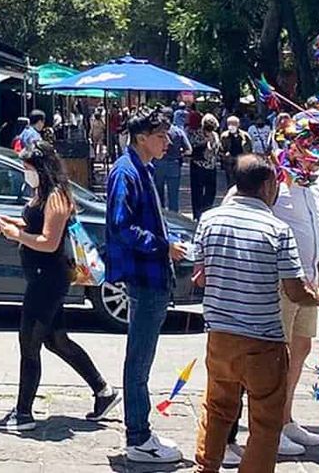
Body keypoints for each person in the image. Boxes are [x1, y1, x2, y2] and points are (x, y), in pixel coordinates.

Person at [194, 155, 319, 473]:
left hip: (219, 337)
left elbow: (200, 276)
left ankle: (205, 468)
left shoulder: (209, 220)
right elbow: (296, 291)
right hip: (263, 341)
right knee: (265, 423)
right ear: (269, 185)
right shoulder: (277, 229)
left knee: (216, 410)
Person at [0, 142, 119, 432]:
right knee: (56, 339)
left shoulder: (57, 197)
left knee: (30, 342)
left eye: (28, 168)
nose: (26, 173)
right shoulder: (42, 194)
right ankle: (103, 391)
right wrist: (10, 223)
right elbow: (33, 223)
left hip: (48, 278)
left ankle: (23, 414)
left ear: (42, 168)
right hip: (41, 275)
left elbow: (49, 242)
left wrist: (16, 235)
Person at [106, 105, 188, 465]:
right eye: (160, 135)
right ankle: (137, 436)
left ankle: (140, 431)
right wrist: (162, 246)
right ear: (141, 138)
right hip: (145, 277)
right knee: (138, 361)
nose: (167, 141)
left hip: (153, 276)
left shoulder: (142, 169)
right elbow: (122, 226)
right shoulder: (126, 172)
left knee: (142, 358)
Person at [267, 159, 319, 455]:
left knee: (302, 346)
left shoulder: (314, 190)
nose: (311, 159)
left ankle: (286, 417)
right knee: (277, 354)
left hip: (310, 280)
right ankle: (269, 425)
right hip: (283, 281)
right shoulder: (275, 186)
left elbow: (316, 236)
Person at [153, 106, 191, 214]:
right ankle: (174, 220)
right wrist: (180, 154)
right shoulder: (178, 131)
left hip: (158, 163)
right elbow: (189, 150)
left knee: (158, 195)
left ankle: (160, 217)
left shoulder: (157, 131)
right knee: (173, 196)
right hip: (174, 164)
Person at [189, 113, 222, 220]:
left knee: (211, 192)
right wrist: (205, 142)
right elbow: (192, 148)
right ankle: (197, 215)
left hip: (211, 166)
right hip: (198, 166)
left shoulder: (216, 135)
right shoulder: (197, 134)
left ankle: (207, 212)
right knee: (197, 192)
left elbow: (218, 148)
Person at [219, 116, 251, 190]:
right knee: (231, 181)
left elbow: (250, 148)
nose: (231, 126)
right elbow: (221, 149)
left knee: (242, 178)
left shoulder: (245, 136)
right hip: (230, 161)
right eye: (229, 124)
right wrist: (225, 156)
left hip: (242, 160)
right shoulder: (224, 136)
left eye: (234, 124)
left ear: (238, 124)